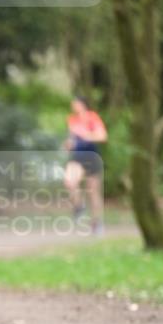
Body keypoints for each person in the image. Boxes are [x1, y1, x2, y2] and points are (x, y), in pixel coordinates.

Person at [63, 96, 107, 236]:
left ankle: (97, 222)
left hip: (92, 155)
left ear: (82, 104)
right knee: (69, 182)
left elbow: (102, 136)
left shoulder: (92, 117)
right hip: (77, 156)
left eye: (75, 104)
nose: (73, 107)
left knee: (93, 192)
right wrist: (68, 145)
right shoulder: (72, 119)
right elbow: (72, 139)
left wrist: (86, 135)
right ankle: (79, 206)